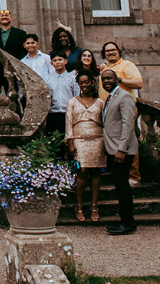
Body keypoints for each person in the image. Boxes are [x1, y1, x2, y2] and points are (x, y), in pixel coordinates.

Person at [100, 41, 144, 183]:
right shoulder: (105, 67)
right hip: (109, 110)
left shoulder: (127, 65)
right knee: (114, 140)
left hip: (124, 107)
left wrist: (119, 79)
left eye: (113, 50)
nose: (111, 53)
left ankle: (134, 175)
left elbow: (139, 83)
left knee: (129, 138)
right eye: (107, 51)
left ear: (119, 51)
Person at [101, 69, 138, 235]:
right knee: (119, 185)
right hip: (113, 147)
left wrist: (121, 149)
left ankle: (128, 223)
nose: (106, 81)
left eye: (109, 78)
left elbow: (128, 124)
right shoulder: (109, 98)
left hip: (123, 149)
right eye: (104, 79)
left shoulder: (124, 97)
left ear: (116, 79)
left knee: (122, 186)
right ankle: (126, 220)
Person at [65, 71, 106, 222]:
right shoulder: (72, 102)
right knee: (82, 171)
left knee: (95, 172)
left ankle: (94, 206)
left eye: (86, 82)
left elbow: (105, 122)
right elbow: (68, 122)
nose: (84, 85)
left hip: (97, 139)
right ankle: (79, 205)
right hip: (79, 139)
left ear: (92, 82)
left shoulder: (100, 102)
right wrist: (70, 141)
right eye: (81, 83)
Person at [43, 52, 80, 139]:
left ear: (66, 61)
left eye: (60, 60)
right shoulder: (47, 79)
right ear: (51, 63)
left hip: (68, 114)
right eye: (55, 60)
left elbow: (77, 95)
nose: (58, 62)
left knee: (69, 139)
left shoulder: (73, 78)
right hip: (53, 114)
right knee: (53, 140)